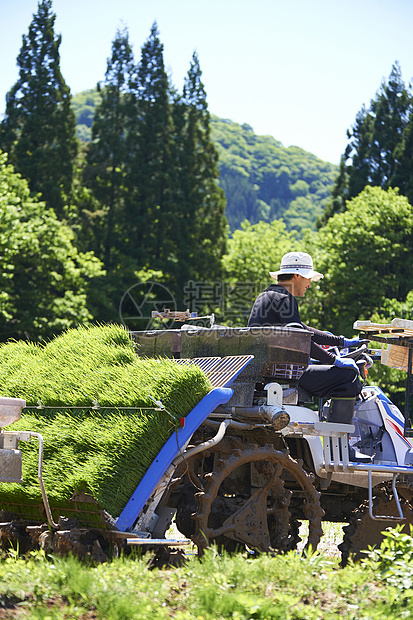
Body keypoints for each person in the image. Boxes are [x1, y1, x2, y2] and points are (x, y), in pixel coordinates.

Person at [248, 251, 364, 401]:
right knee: (349, 376)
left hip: (269, 371)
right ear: (297, 276)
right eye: (308, 278)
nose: (309, 285)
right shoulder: (285, 299)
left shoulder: (269, 294)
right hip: (284, 373)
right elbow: (299, 341)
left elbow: (303, 331)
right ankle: (341, 424)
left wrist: (340, 341)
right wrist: (334, 360)